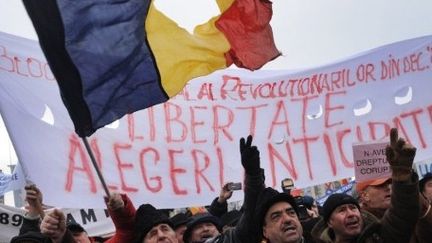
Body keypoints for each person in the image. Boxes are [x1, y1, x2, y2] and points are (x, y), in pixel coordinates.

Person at [311, 127, 420, 243]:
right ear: (329, 222)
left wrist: (402, 179)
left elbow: (401, 215)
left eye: (353, 208)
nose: (351, 214)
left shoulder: (379, 237)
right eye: (342, 210)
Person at [183, 135, 265, 243]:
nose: (206, 229)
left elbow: (252, 207)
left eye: (209, 225)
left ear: (219, 229)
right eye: (198, 227)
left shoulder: (232, 239)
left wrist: (253, 174)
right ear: (188, 238)